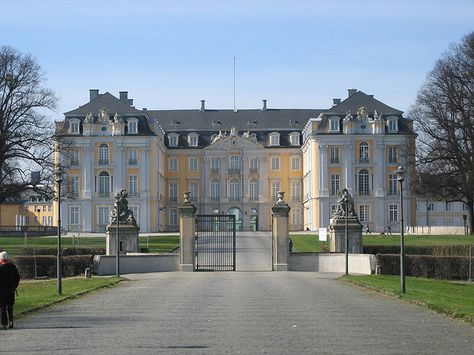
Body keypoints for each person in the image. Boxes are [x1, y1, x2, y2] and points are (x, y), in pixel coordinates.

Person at [0, 251, 20, 329]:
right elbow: (17, 278)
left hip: (1, 291)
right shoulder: (13, 267)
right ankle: (11, 322)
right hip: (11, 291)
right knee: (10, 307)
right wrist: (14, 286)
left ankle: (3, 324)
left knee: (2, 308)